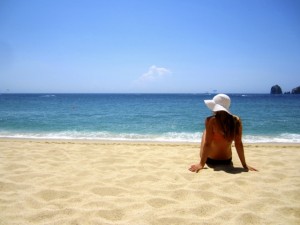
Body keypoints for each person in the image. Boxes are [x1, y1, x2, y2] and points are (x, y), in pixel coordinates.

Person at [189, 94, 257, 173]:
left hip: (211, 160)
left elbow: (207, 144)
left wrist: (201, 164)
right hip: (227, 160)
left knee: (206, 131)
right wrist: (244, 165)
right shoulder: (236, 121)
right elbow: (238, 144)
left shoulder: (211, 120)